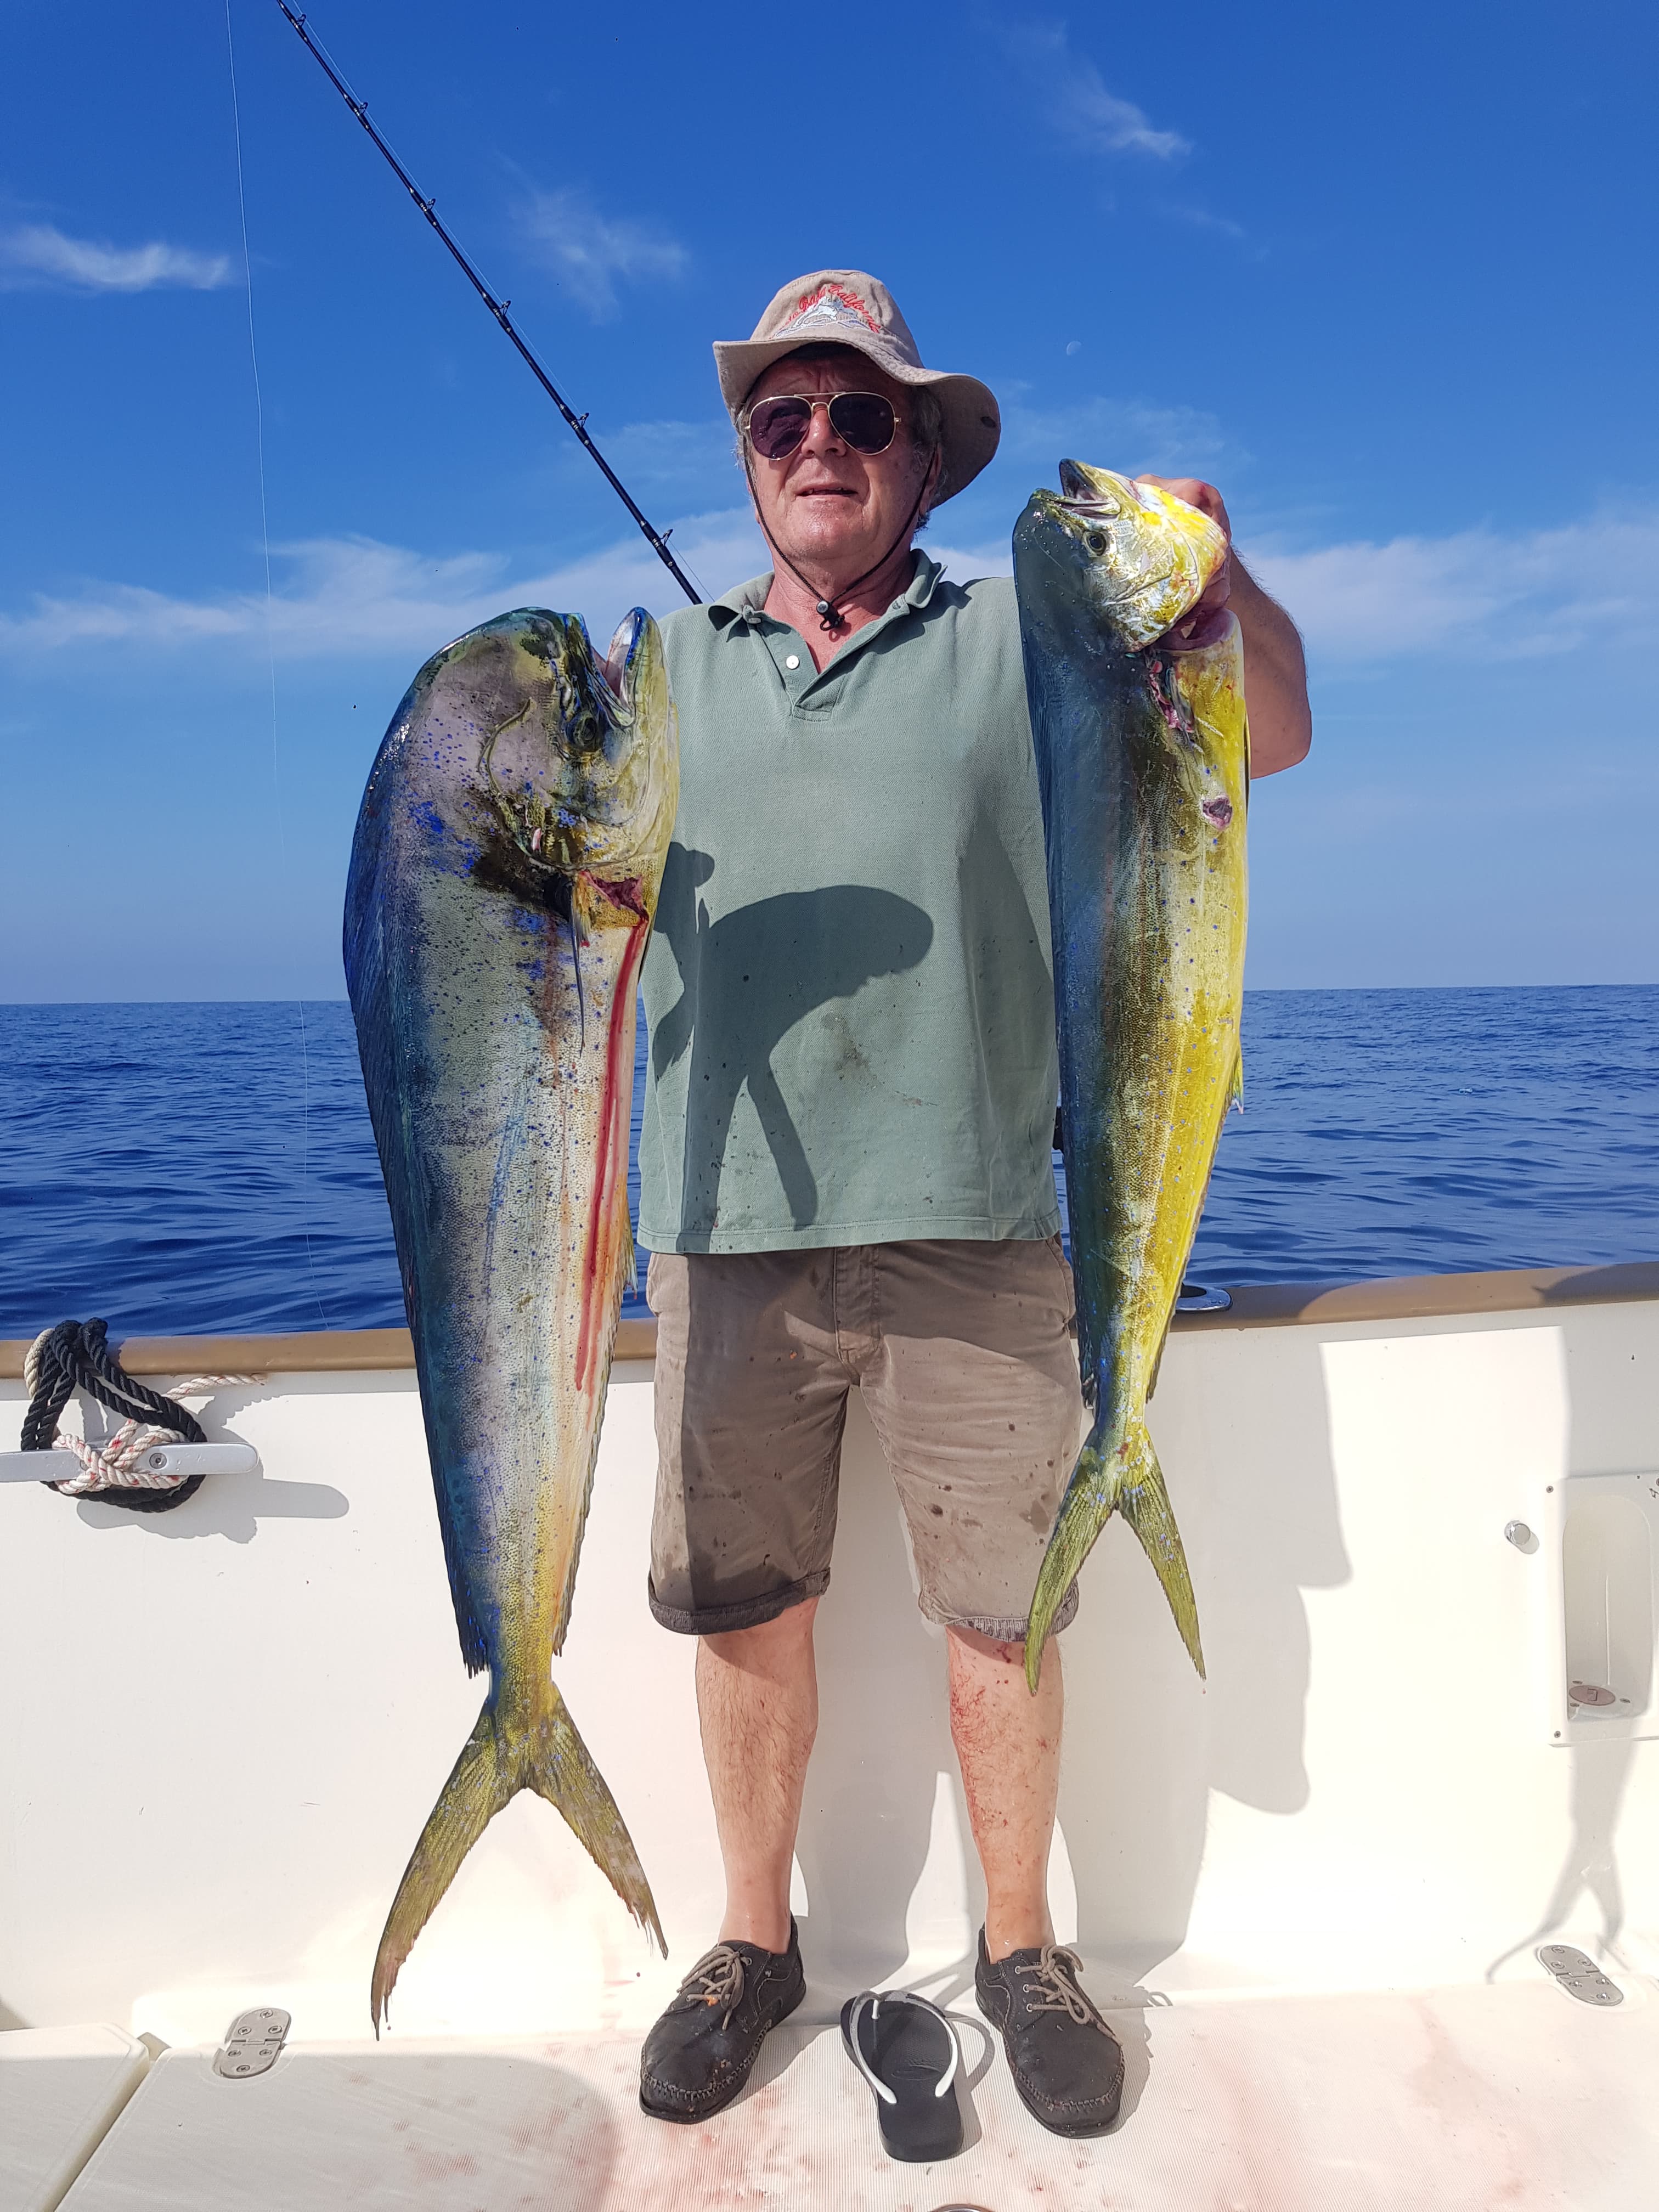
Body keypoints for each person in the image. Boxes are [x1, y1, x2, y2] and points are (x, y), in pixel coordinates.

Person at [633, 270, 1311, 2137]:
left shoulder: (1035, 631)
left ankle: (1024, 1949)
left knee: (1004, 1613)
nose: (820, 444)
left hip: (988, 1216)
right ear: (748, 457)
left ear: (924, 459)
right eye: (783, 418)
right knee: (743, 1610)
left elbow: (1263, 737)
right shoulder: (663, 668)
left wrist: (1220, 581)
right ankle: (751, 1944)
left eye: (861, 415)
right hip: (725, 1228)